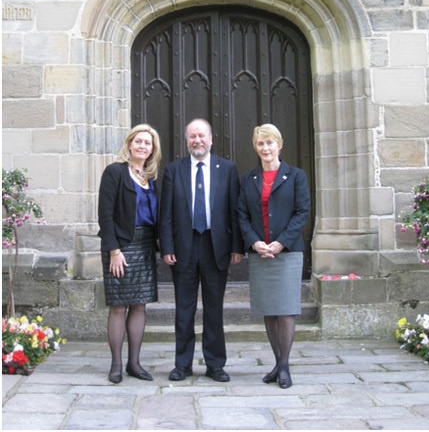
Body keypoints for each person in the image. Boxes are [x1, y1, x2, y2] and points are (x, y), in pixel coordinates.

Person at [159, 118, 244, 382]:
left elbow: (234, 211)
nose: (197, 141)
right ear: (187, 141)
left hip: (215, 246)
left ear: (211, 139)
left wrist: (237, 247)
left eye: (202, 136)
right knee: (184, 310)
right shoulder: (174, 170)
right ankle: (182, 364)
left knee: (214, 308)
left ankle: (215, 364)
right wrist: (167, 247)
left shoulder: (227, 169)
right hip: (183, 247)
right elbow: (166, 214)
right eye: (192, 137)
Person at [237, 124, 310, 389]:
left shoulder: (296, 176)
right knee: (269, 309)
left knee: (286, 310)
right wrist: (255, 242)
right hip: (260, 252)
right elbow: (242, 214)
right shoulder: (249, 179)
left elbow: (302, 212)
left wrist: (280, 243)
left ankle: (285, 366)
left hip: (287, 253)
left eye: (269, 143)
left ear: (279, 144)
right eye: (260, 144)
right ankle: (278, 364)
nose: (265, 148)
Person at [98, 124, 162, 384]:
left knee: (139, 305)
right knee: (118, 305)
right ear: (129, 144)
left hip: (145, 245)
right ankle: (115, 365)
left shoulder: (150, 178)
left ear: (152, 149)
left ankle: (134, 363)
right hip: (121, 246)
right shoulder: (115, 172)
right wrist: (114, 250)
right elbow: (105, 214)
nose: (142, 146)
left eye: (147, 143)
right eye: (138, 141)